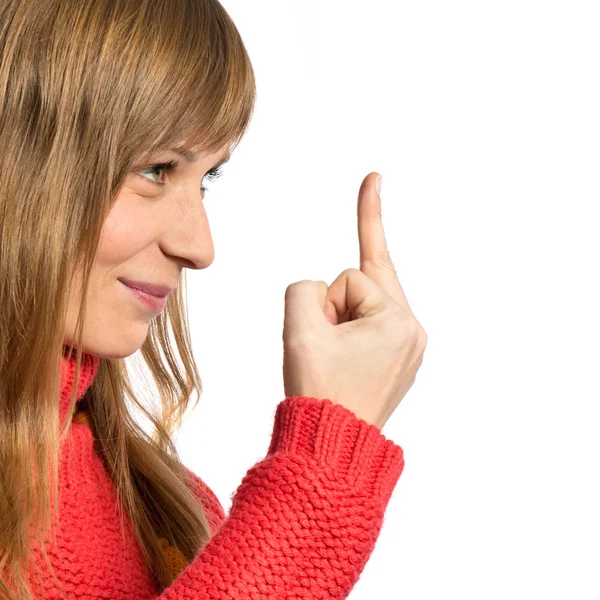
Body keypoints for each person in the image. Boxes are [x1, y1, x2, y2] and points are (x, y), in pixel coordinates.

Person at [0, 1, 426, 598]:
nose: (199, 247)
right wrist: (320, 473)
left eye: (206, 179)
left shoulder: (166, 508)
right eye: (155, 169)